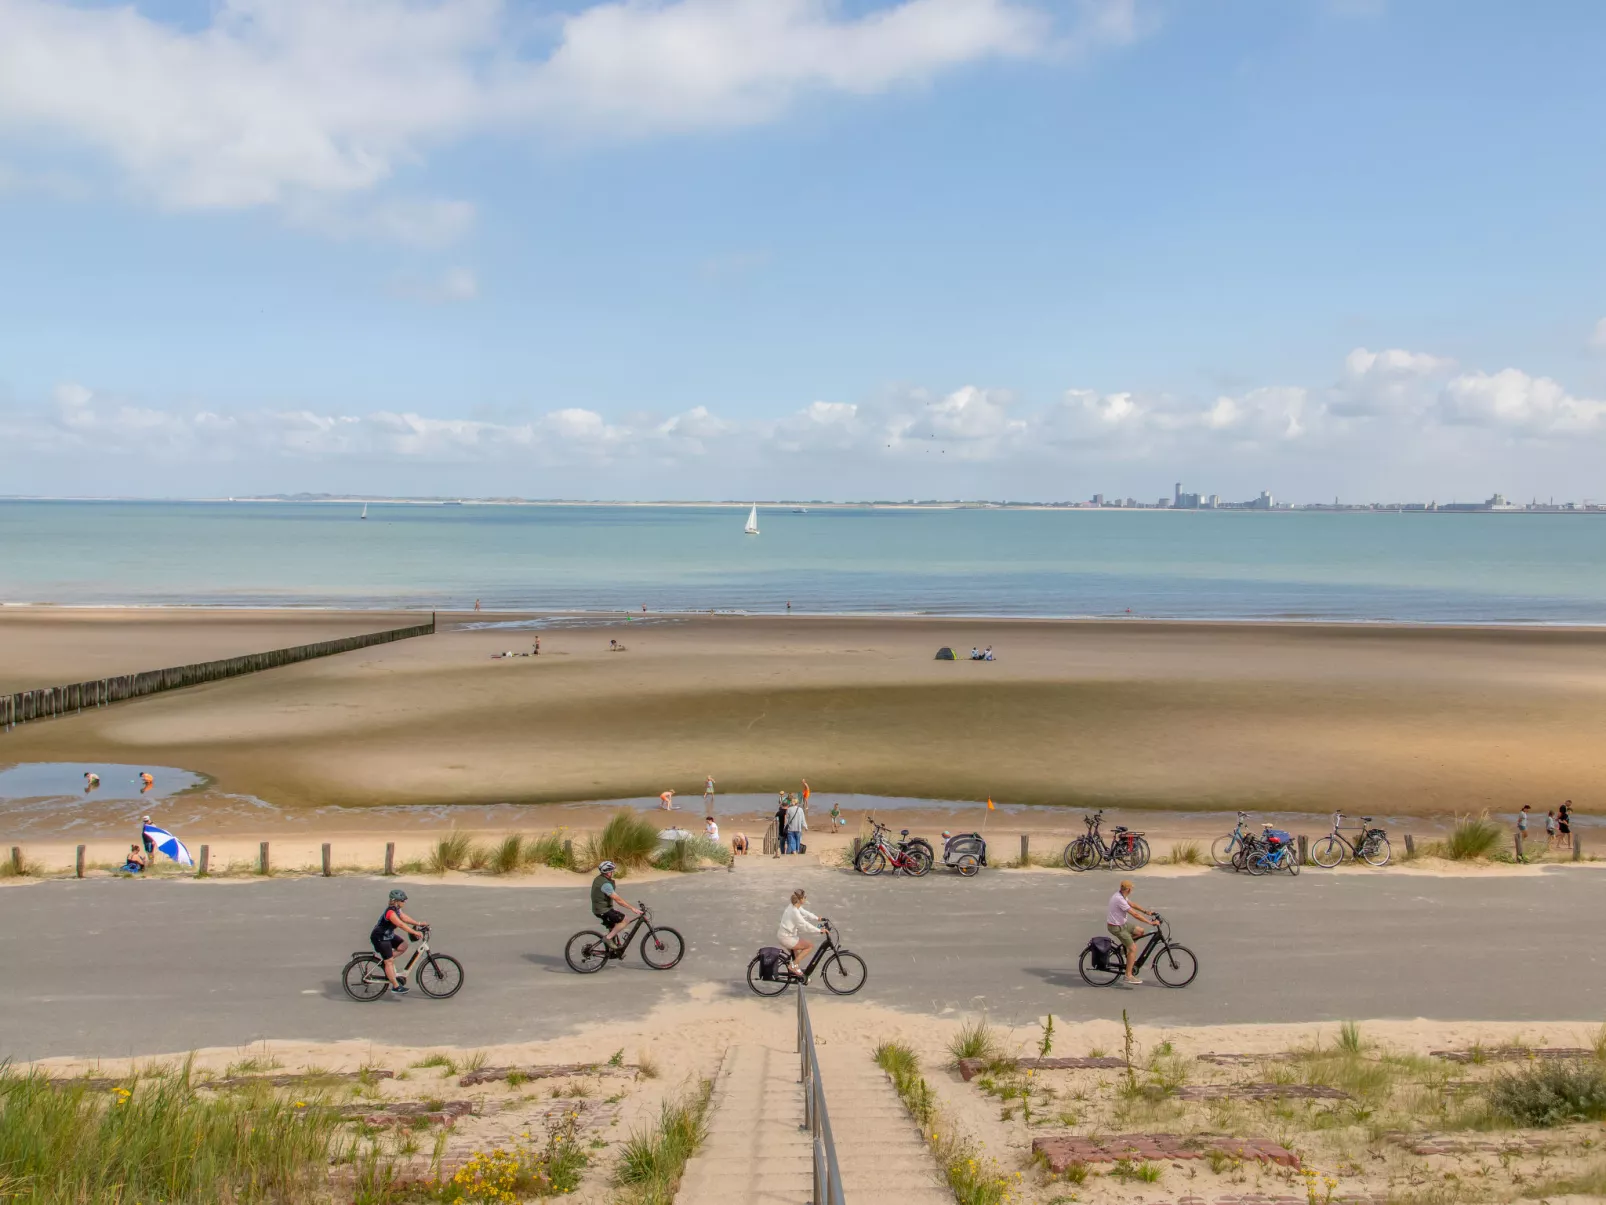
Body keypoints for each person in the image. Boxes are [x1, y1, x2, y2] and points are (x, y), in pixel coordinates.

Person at [371, 888, 425, 994]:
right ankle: (395, 986)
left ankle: (386, 962)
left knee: (403, 946)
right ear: (396, 901)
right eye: (402, 900)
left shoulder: (396, 909)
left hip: (388, 935)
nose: (404, 902)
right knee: (389, 961)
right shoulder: (390, 912)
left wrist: (418, 923)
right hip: (380, 937)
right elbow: (401, 924)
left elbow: (403, 917)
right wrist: (415, 932)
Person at [1107, 880, 1156, 986]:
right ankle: (1128, 976)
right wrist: (1150, 922)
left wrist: (1145, 911)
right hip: (1116, 927)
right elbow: (1135, 915)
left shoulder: (1121, 895)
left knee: (1140, 931)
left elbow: (1132, 904)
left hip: (1122, 924)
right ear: (1128, 889)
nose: (1132, 890)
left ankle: (1123, 949)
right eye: (1131, 888)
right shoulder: (1119, 899)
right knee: (1133, 948)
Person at [591, 860, 641, 949]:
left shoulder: (599, 879)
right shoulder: (605, 884)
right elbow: (618, 900)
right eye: (612, 871)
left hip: (600, 908)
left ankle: (613, 950)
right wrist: (632, 908)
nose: (613, 872)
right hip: (602, 910)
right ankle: (608, 938)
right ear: (608, 872)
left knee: (615, 921)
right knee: (625, 920)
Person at [778, 888, 824, 977]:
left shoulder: (793, 906)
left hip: (784, 935)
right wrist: (819, 930)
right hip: (787, 938)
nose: (805, 898)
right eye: (804, 897)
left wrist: (817, 918)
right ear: (800, 900)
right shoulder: (795, 912)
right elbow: (805, 925)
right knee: (809, 946)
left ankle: (797, 973)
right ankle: (793, 966)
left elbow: (805, 913)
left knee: (797, 954)